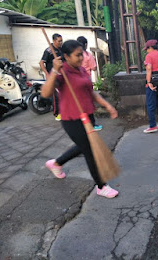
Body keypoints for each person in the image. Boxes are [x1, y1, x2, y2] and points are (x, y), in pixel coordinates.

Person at [41, 40, 119, 198]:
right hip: (72, 119)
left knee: (83, 146)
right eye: (77, 55)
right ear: (66, 57)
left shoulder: (81, 70)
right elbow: (45, 93)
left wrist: (107, 106)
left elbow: (91, 92)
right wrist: (54, 70)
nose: (81, 58)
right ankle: (101, 186)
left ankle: (56, 163)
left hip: (87, 116)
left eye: (82, 54)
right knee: (89, 149)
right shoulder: (62, 72)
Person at [76, 36, 102, 131]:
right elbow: (94, 68)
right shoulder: (87, 55)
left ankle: (82, 123)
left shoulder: (74, 55)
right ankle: (92, 124)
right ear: (86, 45)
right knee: (88, 102)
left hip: (76, 82)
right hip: (86, 80)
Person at [40, 33, 63, 120]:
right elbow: (41, 62)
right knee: (56, 95)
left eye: (61, 41)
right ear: (53, 41)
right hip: (53, 76)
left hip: (61, 75)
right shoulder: (49, 50)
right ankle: (57, 114)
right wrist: (47, 74)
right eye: (59, 41)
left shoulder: (61, 49)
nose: (61, 42)